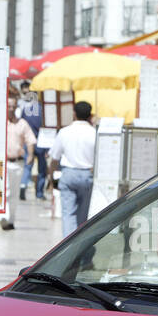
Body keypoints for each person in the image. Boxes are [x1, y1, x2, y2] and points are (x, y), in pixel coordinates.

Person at [49, 100, 96, 236]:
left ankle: (67, 246)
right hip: (87, 175)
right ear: (90, 115)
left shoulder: (64, 132)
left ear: (74, 114)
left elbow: (55, 158)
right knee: (83, 215)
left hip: (68, 174)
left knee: (68, 214)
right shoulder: (94, 133)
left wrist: (51, 177)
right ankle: (79, 245)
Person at [1, 109, 36, 231]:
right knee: (5, 190)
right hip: (3, 162)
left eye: (13, 105)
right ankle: (2, 217)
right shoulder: (0, 122)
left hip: (17, 162)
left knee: (14, 193)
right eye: (8, 105)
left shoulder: (22, 123)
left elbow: (30, 139)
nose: (10, 108)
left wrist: (30, 155)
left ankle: (11, 220)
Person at [15, 82, 46, 200]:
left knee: (27, 165)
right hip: (41, 142)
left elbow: (21, 124)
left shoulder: (24, 109)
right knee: (42, 169)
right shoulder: (42, 109)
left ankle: (23, 186)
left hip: (28, 141)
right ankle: (39, 193)